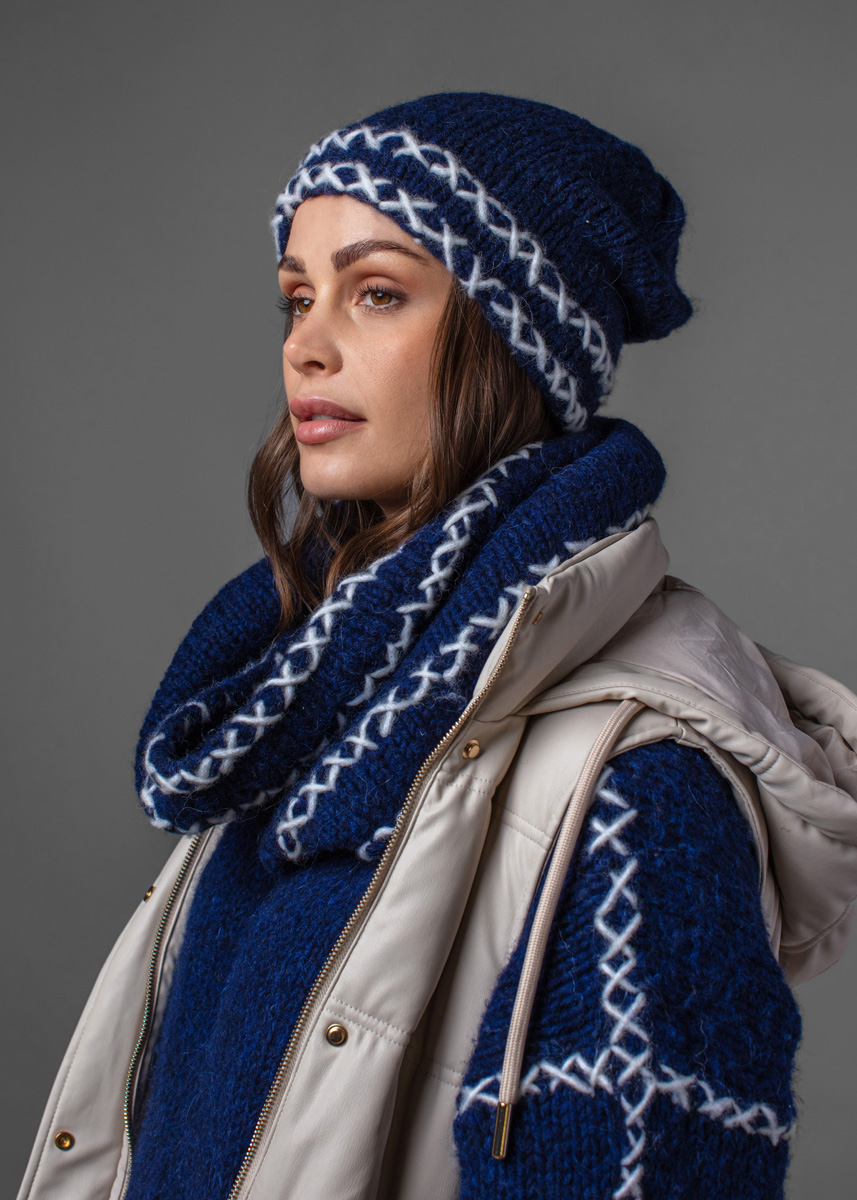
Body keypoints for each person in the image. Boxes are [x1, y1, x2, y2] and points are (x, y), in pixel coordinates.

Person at [17, 92, 857, 1200]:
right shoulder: (296, 712)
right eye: (297, 298)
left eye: (376, 292)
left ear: (514, 337)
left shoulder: (638, 794)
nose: (306, 346)